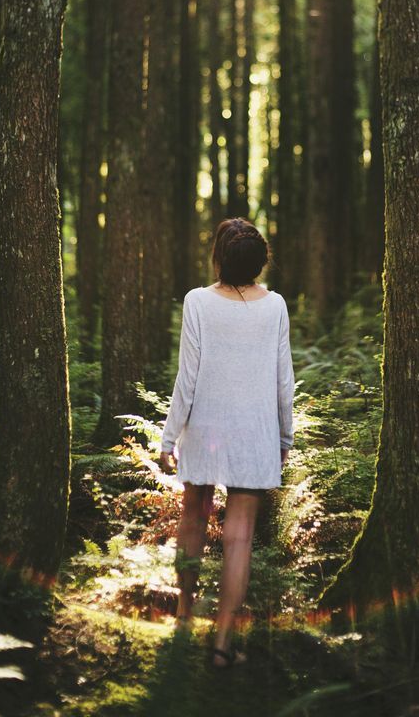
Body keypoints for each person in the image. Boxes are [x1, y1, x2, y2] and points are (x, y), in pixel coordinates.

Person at [159, 217, 295, 668]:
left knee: (193, 519)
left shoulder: (198, 301)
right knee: (239, 540)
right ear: (259, 261)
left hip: (205, 431)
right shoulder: (275, 305)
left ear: (218, 256)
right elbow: (283, 380)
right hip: (255, 434)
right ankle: (221, 645)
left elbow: (188, 377)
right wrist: (284, 436)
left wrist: (168, 435)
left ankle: (182, 615)